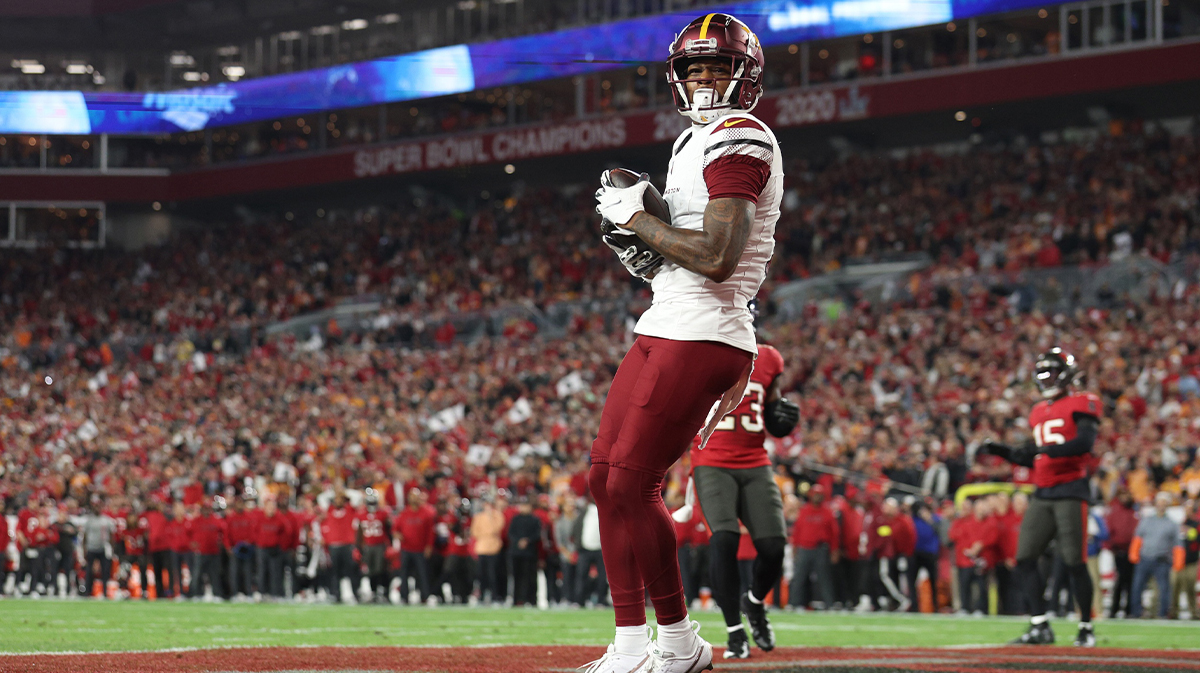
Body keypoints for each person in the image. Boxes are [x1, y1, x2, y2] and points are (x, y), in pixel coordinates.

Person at [585, 11, 780, 672]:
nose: (704, 78)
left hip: (706, 328)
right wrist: (641, 244)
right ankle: (634, 643)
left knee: (635, 482)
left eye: (718, 66)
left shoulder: (741, 136)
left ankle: (677, 641)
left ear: (743, 74)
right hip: (667, 317)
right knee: (605, 479)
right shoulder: (690, 142)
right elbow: (680, 252)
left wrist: (637, 219)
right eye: (693, 67)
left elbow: (720, 255)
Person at [979, 348, 1102, 646]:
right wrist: (1002, 451)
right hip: (1043, 492)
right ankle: (1039, 625)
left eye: (1053, 373)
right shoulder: (1037, 411)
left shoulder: (1084, 401)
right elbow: (1033, 458)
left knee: (1074, 561)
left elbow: (1084, 443)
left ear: (1068, 374)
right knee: (1024, 557)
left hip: (1071, 489)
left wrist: (1041, 451)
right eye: (1042, 373)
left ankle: (1085, 627)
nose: (1047, 379)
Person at [688, 335, 796, 658]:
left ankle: (754, 602)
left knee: (774, 545)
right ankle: (735, 630)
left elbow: (773, 405)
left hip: (755, 461)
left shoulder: (768, 358)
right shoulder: (699, 351)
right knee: (724, 540)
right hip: (711, 460)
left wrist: (781, 417)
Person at [1130, 491, 1185, 618]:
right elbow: (1138, 537)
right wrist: (1134, 553)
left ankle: (1163, 614)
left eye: (1164, 503)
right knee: (1137, 586)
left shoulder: (1172, 523)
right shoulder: (1147, 520)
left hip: (1162, 560)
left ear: (1168, 505)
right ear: (1155, 504)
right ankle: (1136, 612)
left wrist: (1178, 562)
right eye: (1159, 502)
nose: (1161, 505)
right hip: (1145, 558)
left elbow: (1178, 544)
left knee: (1164, 589)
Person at [788, 484, 838, 615]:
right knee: (799, 577)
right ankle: (793, 603)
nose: (817, 496)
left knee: (824, 578)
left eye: (819, 494)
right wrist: (795, 548)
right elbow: (797, 531)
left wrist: (834, 550)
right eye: (815, 494)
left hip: (820, 548)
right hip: (804, 548)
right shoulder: (804, 510)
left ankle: (829, 604)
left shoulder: (827, 512)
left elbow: (834, 533)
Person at [1106, 488, 1139, 617]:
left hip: (1132, 551)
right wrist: (1112, 547)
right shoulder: (1114, 511)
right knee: (1120, 581)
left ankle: (1129, 609)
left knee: (1130, 581)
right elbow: (1109, 530)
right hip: (1119, 551)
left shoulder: (1134, 511)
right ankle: (1115, 608)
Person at [357, 490, 392, 603]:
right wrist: (358, 547)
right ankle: (373, 592)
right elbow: (359, 533)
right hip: (368, 546)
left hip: (380, 546)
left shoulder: (383, 513)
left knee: (380, 570)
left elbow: (389, 530)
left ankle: (382, 592)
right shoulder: (361, 514)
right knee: (370, 571)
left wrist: (390, 545)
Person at [508, 497, 541, 607]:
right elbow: (511, 533)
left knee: (531, 578)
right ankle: (517, 600)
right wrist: (519, 541)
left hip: (530, 553)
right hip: (516, 553)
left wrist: (527, 540)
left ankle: (532, 600)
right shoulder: (515, 519)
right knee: (517, 577)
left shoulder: (535, 519)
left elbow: (537, 534)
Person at [1169, 498, 1198, 620]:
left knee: (1190, 588)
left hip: (1191, 561)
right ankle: (1173, 612)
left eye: (1190, 509)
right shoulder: (1178, 524)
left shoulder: (1197, 525)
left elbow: (1196, 538)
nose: (1187, 512)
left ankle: (1194, 612)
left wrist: (1189, 531)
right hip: (1178, 562)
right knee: (1175, 588)